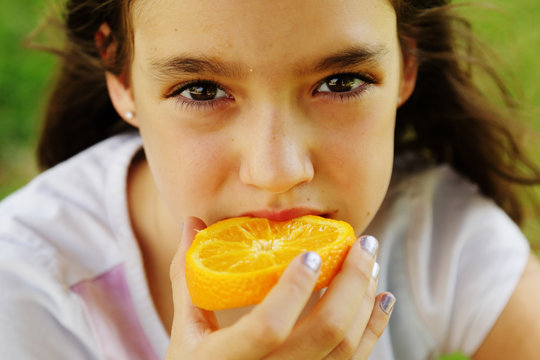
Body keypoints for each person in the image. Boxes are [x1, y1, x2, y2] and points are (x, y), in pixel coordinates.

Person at [1, 0, 540, 358]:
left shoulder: (439, 236)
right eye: (202, 91)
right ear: (121, 77)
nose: (277, 171)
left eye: (341, 80)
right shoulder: (25, 290)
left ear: (407, 62)